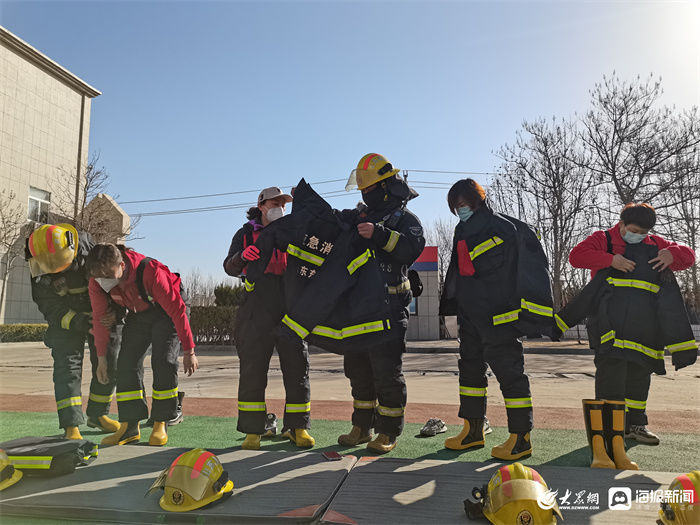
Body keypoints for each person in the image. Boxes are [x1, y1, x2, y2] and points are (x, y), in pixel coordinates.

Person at [440, 179, 554, 460]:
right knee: (469, 374)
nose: (460, 210)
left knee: (510, 375)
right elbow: (460, 273)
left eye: (463, 205)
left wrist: (528, 312)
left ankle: (520, 437)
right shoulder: (461, 230)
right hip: (470, 316)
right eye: (456, 207)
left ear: (478, 201)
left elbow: (530, 270)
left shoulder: (506, 227)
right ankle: (472, 430)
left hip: (500, 317)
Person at [569, 202, 696, 445]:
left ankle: (635, 426)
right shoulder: (603, 239)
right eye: (634, 230)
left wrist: (674, 254)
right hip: (608, 326)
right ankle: (608, 432)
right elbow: (576, 257)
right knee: (611, 377)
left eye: (643, 233)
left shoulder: (656, 244)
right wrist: (609, 260)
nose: (638, 236)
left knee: (640, 376)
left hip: (645, 328)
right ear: (622, 224)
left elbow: (689, 256)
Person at [336, 153, 425, 453]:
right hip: (357, 313)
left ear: (386, 187)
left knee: (387, 374)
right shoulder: (360, 216)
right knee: (358, 372)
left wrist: (380, 234)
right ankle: (362, 427)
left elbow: (411, 249)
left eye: (369, 188)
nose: (365, 194)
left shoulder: (406, 221)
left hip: (388, 311)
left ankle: (388, 432)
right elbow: (333, 221)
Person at [224, 187, 315, 450]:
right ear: (261, 205)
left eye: (284, 204)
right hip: (256, 306)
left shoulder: (295, 232)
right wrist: (242, 257)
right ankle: (254, 430)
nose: (280, 207)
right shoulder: (244, 234)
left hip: (291, 305)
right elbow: (229, 266)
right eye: (275, 202)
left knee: (297, 368)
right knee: (252, 369)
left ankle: (297, 428)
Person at [86, 244, 198, 446]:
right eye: (98, 275)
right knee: (127, 364)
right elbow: (100, 319)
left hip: (167, 311)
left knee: (163, 361)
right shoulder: (98, 283)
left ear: (122, 265)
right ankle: (129, 427)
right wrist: (101, 359)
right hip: (140, 314)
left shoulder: (150, 272)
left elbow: (177, 311)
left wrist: (189, 350)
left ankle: (160, 422)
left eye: (107, 274)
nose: (103, 280)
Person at [26, 223, 120, 440]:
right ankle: (71, 426)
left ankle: (98, 414)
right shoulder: (39, 262)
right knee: (67, 367)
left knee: (111, 359)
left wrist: (110, 315)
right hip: (66, 320)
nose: (54, 271)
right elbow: (49, 306)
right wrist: (77, 321)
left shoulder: (93, 253)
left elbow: (111, 285)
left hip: (98, 313)